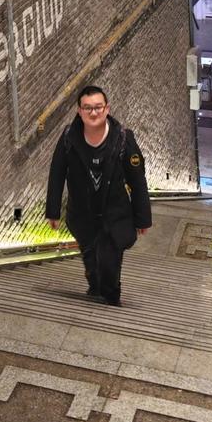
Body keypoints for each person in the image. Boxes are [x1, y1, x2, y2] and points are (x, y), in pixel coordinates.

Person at [45, 84, 152, 306]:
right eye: (87, 108)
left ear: (106, 109)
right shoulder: (69, 138)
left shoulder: (123, 139)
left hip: (115, 215)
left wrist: (143, 218)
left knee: (109, 260)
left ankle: (111, 299)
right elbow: (57, 173)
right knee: (90, 257)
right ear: (79, 111)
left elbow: (137, 180)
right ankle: (95, 288)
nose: (93, 113)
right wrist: (53, 211)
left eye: (98, 107)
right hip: (82, 214)